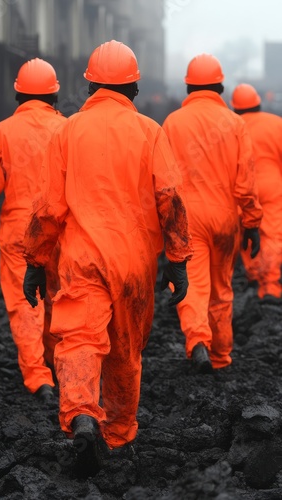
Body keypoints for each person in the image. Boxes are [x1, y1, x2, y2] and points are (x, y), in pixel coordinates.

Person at [22, 40, 193, 475]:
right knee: (125, 350)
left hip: (81, 260)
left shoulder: (67, 131)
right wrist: (178, 259)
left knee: (78, 337)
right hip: (134, 263)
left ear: (90, 85)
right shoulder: (150, 131)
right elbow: (169, 199)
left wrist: (35, 261)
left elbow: (47, 209)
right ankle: (117, 437)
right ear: (134, 87)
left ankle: (81, 412)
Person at [0, 58, 67, 403]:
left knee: (25, 305)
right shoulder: (68, 129)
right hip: (62, 231)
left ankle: (39, 378)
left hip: (19, 233)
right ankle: (60, 365)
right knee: (59, 299)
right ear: (55, 94)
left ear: (17, 94)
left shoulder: (2, 132)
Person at [162, 54, 263, 374]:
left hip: (187, 219)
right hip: (225, 218)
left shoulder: (173, 123)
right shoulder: (235, 123)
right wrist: (252, 224)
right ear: (220, 86)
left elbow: (162, 182)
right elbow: (246, 181)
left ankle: (197, 339)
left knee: (192, 283)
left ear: (189, 86)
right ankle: (221, 355)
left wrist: (160, 227)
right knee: (222, 288)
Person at [230, 83, 282, 303]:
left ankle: (253, 273)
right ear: (259, 104)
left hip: (242, 189)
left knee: (246, 232)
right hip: (272, 187)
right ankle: (270, 285)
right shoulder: (276, 123)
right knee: (272, 236)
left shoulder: (230, 127)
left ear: (234, 108)